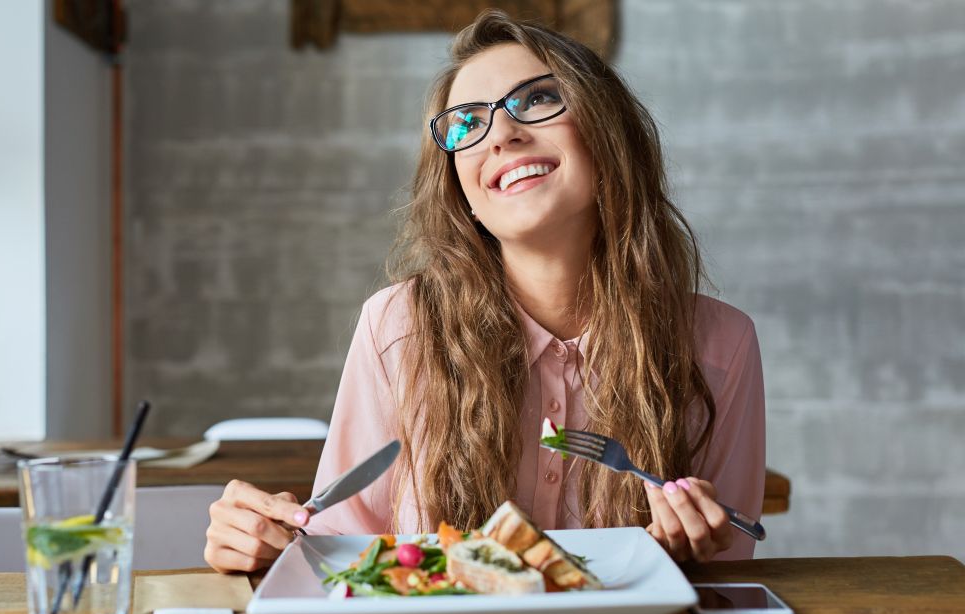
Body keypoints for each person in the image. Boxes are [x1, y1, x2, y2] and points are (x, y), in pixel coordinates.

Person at [203, 10, 765, 573]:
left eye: (539, 99)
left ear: (608, 135)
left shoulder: (721, 342)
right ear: (462, 189)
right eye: (466, 124)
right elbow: (342, 552)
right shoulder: (398, 326)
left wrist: (691, 551)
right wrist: (264, 542)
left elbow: (733, 561)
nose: (502, 134)